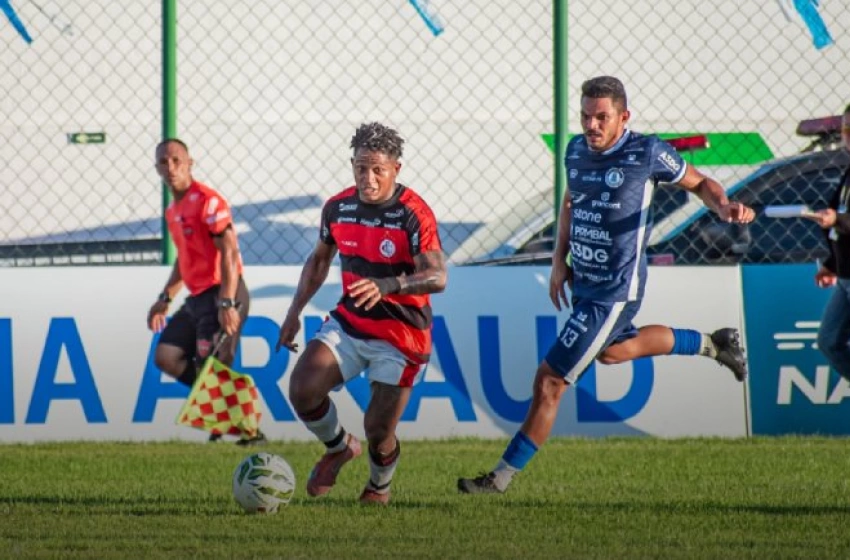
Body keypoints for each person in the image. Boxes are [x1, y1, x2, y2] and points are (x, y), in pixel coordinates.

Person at [457, 76, 755, 494]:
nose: (591, 126)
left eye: (601, 117)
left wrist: (723, 206)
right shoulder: (575, 150)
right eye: (585, 116)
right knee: (614, 352)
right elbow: (569, 203)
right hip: (585, 285)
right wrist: (559, 261)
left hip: (615, 292)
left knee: (549, 382)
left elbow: (701, 183)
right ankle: (714, 344)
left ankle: (499, 479)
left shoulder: (647, 152)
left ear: (623, 117)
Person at [276, 122, 447, 505]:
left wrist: (389, 286)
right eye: (360, 169)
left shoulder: (413, 213)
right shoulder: (338, 208)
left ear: (395, 170)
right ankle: (338, 448)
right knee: (303, 389)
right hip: (351, 323)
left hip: (402, 334)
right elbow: (319, 260)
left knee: (379, 430)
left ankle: (378, 486)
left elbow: (437, 276)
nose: (368, 179)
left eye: (377, 171)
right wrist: (293, 312)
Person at [146, 138, 265, 446]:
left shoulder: (208, 202)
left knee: (213, 362)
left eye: (176, 160)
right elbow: (183, 260)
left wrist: (227, 302)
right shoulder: (172, 211)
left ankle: (247, 431)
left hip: (223, 292)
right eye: (163, 162)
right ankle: (231, 419)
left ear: (189, 164)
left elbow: (228, 251)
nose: (170, 168)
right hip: (198, 297)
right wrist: (164, 298)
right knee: (166, 356)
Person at [806, 104, 850, 381]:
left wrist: (836, 219)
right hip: (845, 275)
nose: (847, 135)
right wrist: (831, 265)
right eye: (845, 128)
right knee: (829, 342)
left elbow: (842, 220)